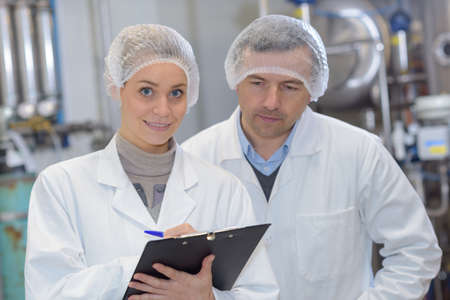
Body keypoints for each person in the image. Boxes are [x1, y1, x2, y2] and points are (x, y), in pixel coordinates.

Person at [182, 15, 442, 299]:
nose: (272, 101)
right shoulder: (194, 159)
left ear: (313, 90)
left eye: (290, 87)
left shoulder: (358, 152)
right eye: (258, 83)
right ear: (236, 81)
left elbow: (415, 250)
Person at [24, 24, 279, 300]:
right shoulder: (61, 185)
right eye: (146, 91)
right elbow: (47, 292)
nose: (163, 110)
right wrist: (140, 271)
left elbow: (260, 293)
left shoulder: (224, 188)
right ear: (118, 88)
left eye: (176, 93)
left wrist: (207, 297)